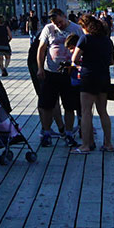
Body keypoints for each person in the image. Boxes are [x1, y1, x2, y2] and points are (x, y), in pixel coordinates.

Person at [70, 14, 114, 154]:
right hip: (103, 77)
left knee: (86, 112)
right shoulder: (107, 41)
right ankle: (108, 144)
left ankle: (85, 145)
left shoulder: (86, 38)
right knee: (103, 111)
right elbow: (112, 62)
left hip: (89, 77)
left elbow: (75, 58)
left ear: (86, 27)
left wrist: (84, 60)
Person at [35, 8, 81, 145]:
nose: (58, 25)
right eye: (55, 23)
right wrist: (39, 67)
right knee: (47, 104)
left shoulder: (76, 29)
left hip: (69, 72)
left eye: (60, 22)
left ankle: (68, 133)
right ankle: (47, 132)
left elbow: (82, 47)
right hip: (51, 72)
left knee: (69, 105)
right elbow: (41, 49)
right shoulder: (48, 29)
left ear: (64, 16)